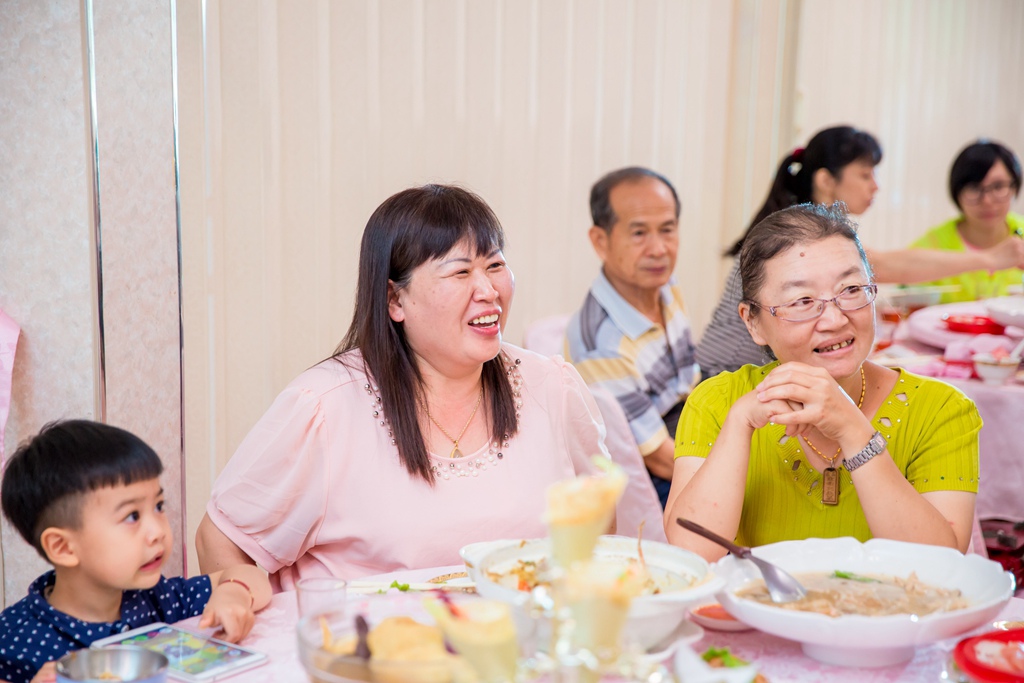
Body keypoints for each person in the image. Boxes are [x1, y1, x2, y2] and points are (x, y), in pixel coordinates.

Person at [195, 184, 608, 589]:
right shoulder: (325, 408)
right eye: (461, 271)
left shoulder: (551, 387)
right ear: (395, 300)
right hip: (371, 649)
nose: (488, 291)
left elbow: (601, 523)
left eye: (495, 266)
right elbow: (221, 541)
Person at [666, 204, 980, 561]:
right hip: (756, 615)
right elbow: (692, 552)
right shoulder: (718, 402)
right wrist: (739, 425)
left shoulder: (942, 410)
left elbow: (940, 564)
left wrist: (852, 431)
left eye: (850, 289)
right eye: (802, 300)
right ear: (752, 322)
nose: (834, 318)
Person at [697, 126, 1024, 378]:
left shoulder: (816, 226)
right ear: (826, 180)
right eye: (865, 175)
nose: (876, 186)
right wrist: (990, 259)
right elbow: (883, 264)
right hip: (732, 378)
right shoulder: (794, 233)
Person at [0, 420, 271, 683]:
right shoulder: (13, 639)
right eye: (132, 516)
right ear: (63, 547)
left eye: (159, 506)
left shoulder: (156, 598)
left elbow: (250, 575)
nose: (158, 531)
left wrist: (234, 592)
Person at [564, 167, 700, 509]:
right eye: (639, 233)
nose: (659, 249)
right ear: (600, 241)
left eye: (667, 230)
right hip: (655, 474)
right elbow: (660, 459)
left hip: (687, 419)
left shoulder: (662, 281)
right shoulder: (602, 344)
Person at [910, 140, 1024, 302]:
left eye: (998, 187)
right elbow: (904, 300)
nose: (987, 200)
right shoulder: (933, 244)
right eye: (974, 188)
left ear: (1015, 187)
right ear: (956, 193)